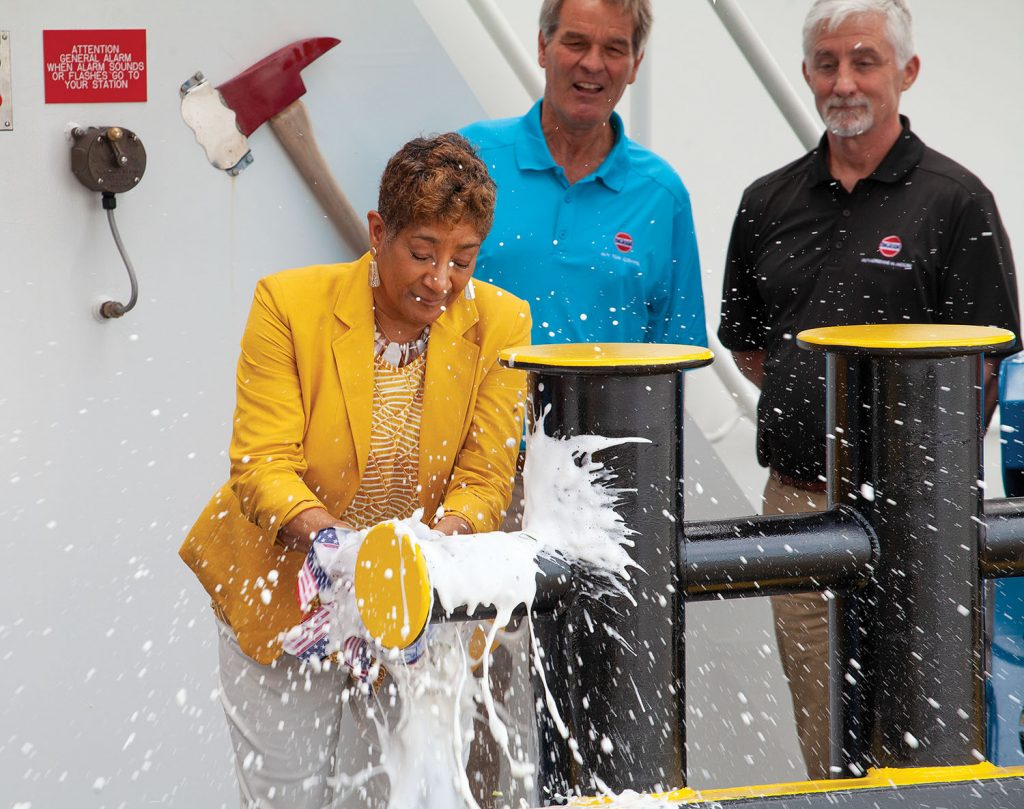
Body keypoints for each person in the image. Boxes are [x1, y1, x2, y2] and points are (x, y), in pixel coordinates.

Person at [179, 132, 531, 808]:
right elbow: (262, 463)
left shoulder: (502, 322)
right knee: (291, 799)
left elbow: (484, 479)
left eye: (463, 259)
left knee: (392, 794)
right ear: (378, 231)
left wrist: (429, 552)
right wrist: (334, 549)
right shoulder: (288, 304)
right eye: (422, 253)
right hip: (281, 589)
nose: (441, 280)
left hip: (410, 599)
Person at [718, 0, 1019, 780]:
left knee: (924, 745)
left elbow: (986, 366)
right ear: (809, 73)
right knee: (824, 738)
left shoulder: (958, 202)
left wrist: (903, 473)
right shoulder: (765, 201)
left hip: (923, 517)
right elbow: (753, 349)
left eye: (865, 61)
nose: (843, 81)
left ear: (906, 73)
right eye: (827, 63)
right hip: (797, 504)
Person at [460, 0, 707, 351]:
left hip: (606, 408)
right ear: (543, 47)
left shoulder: (662, 196)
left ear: (636, 64)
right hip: (475, 406)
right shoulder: (470, 158)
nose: (592, 63)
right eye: (576, 43)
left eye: (614, 49)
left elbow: (677, 354)